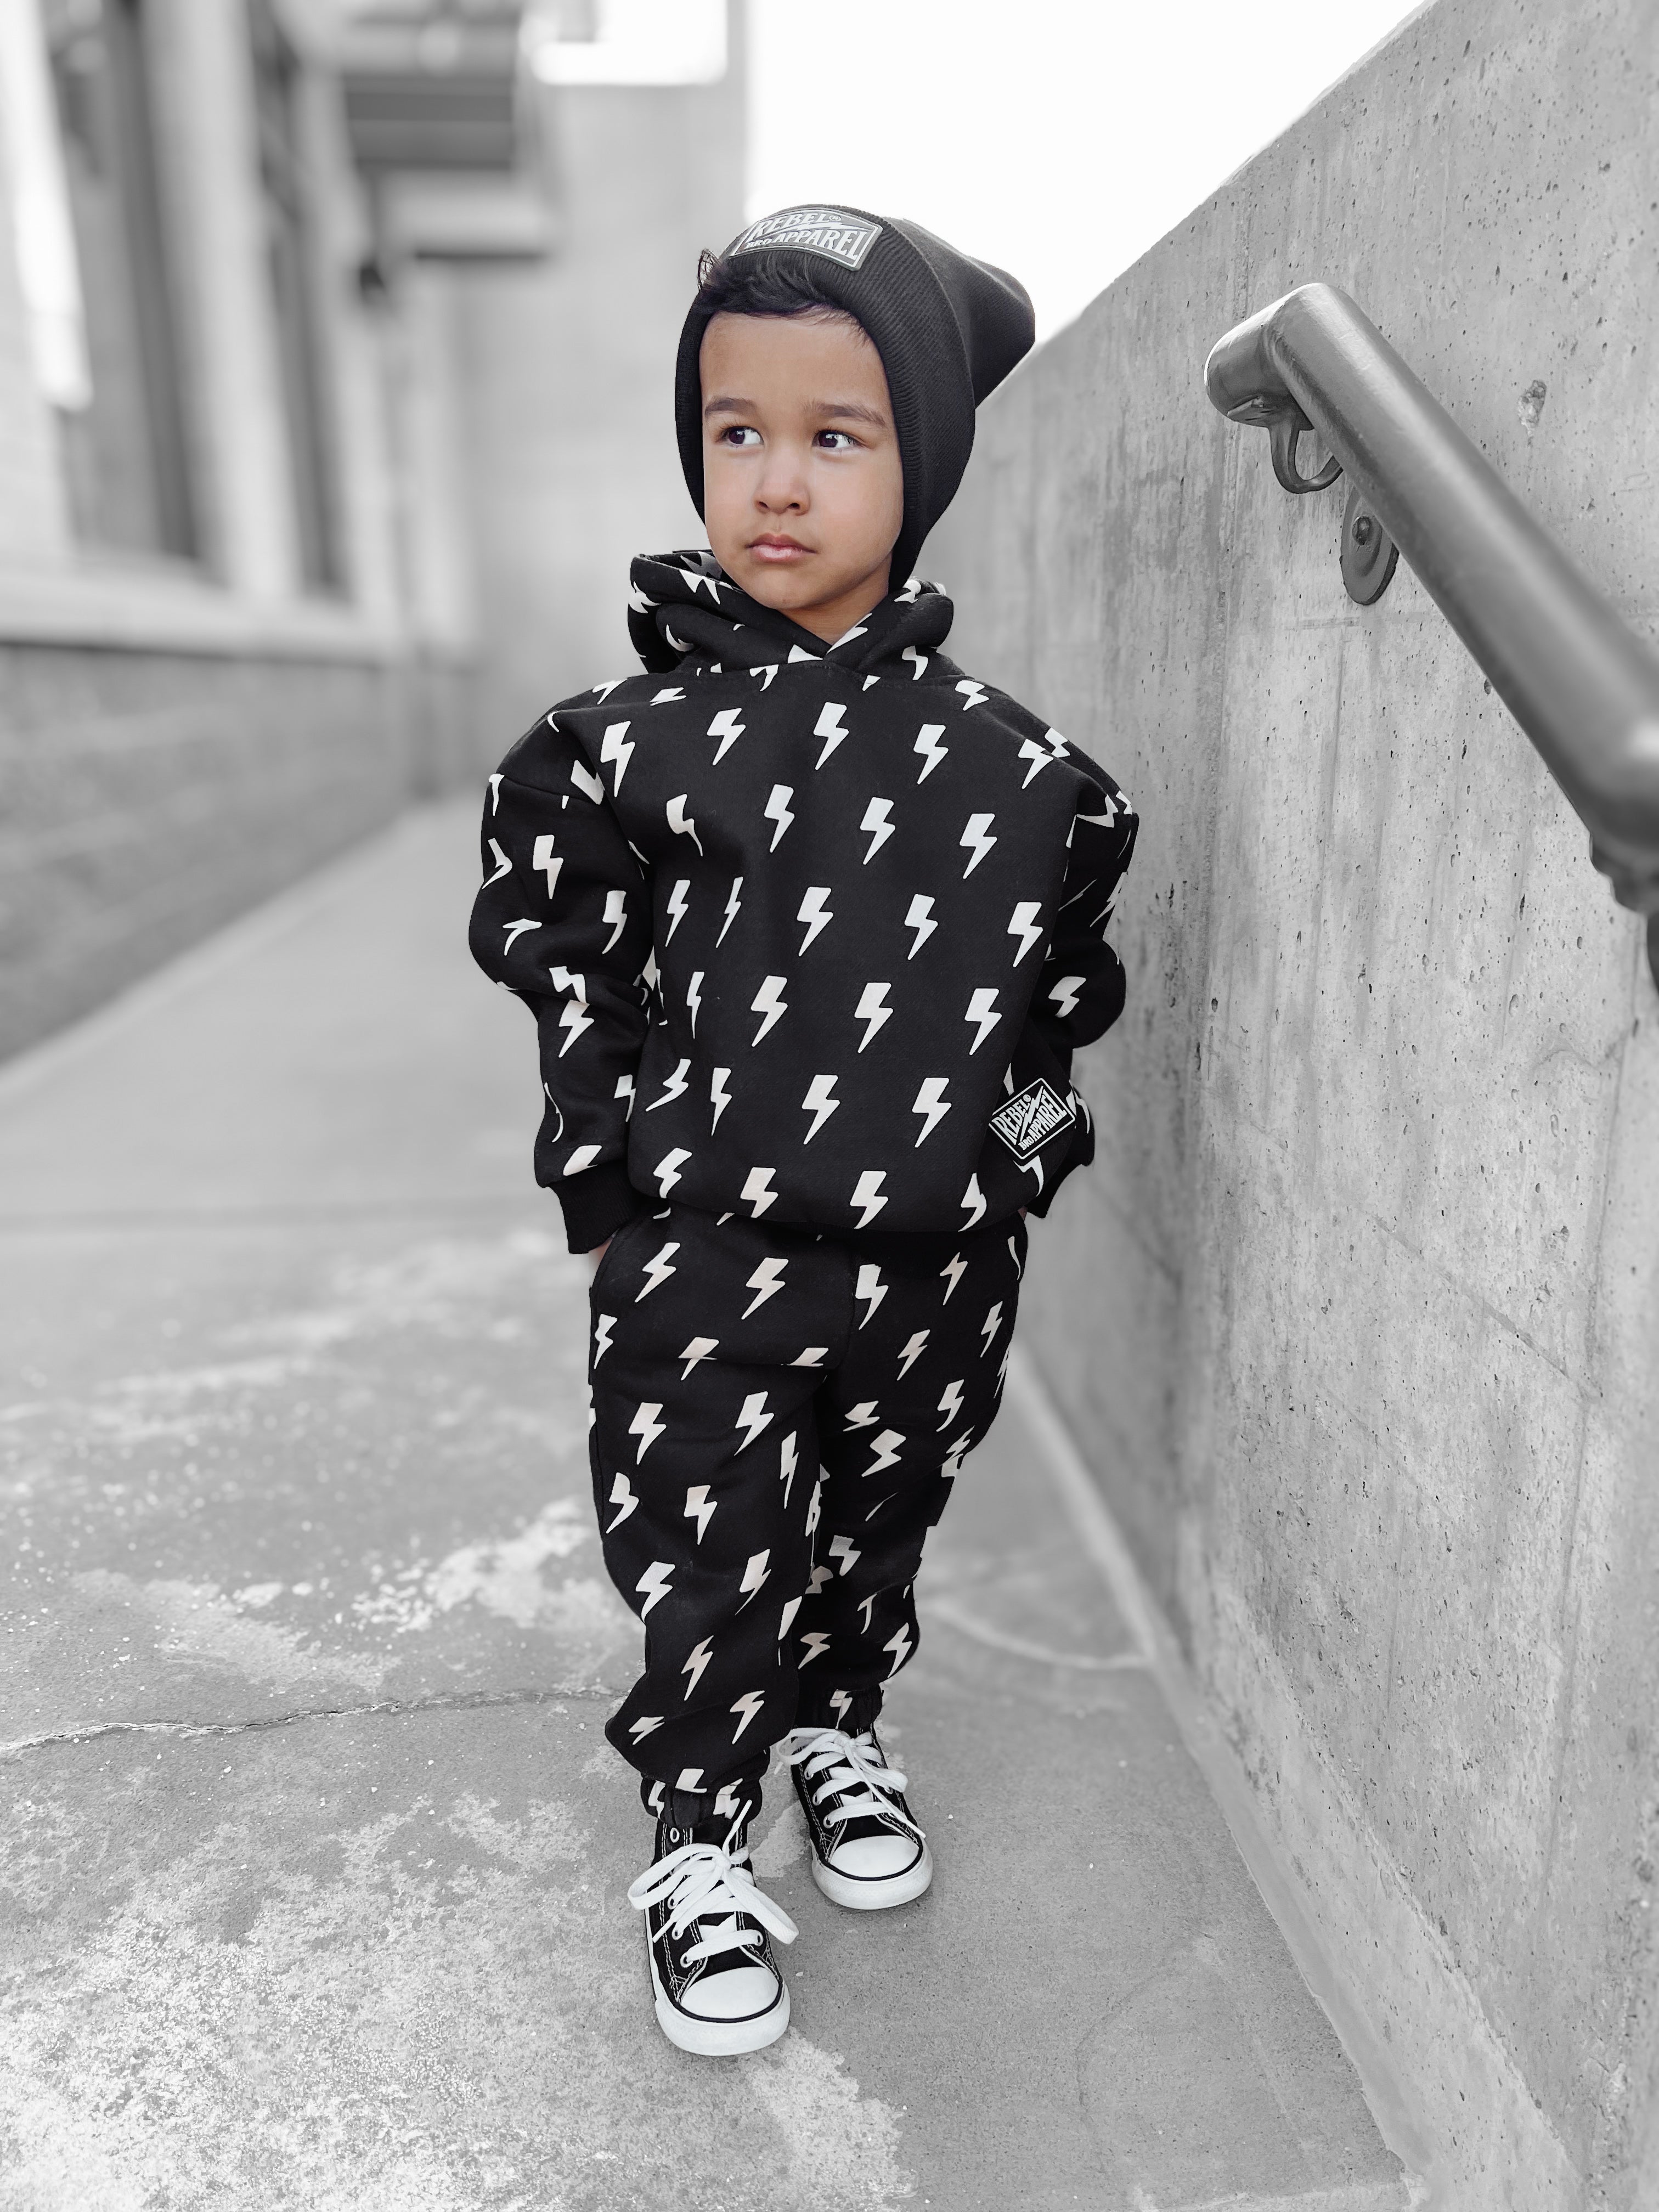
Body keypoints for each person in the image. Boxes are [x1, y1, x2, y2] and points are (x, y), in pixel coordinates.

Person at [470, 203, 1138, 2057]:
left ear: (921, 468)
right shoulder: (617, 748)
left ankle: (840, 1723)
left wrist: (1011, 1168)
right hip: (704, 1258)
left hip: (931, 1268)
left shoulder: (1027, 778)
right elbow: (563, 959)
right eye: (734, 431)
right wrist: (609, 1186)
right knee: (707, 1548)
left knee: (877, 1525)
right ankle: (698, 1833)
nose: (775, 481)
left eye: (836, 435)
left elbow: (1064, 998)